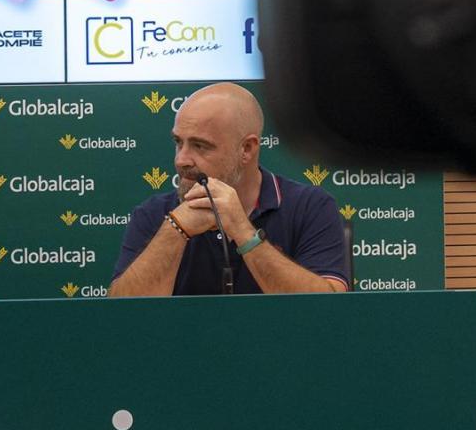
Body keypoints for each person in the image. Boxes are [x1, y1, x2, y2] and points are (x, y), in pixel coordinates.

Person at [111, 83, 349, 296]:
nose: (181, 160)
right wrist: (175, 229)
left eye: (200, 145)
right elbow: (124, 319)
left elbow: (328, 310)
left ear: (246, 149)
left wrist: (244, 232)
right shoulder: (154, 213)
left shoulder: (310, 206)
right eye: (178, 143)